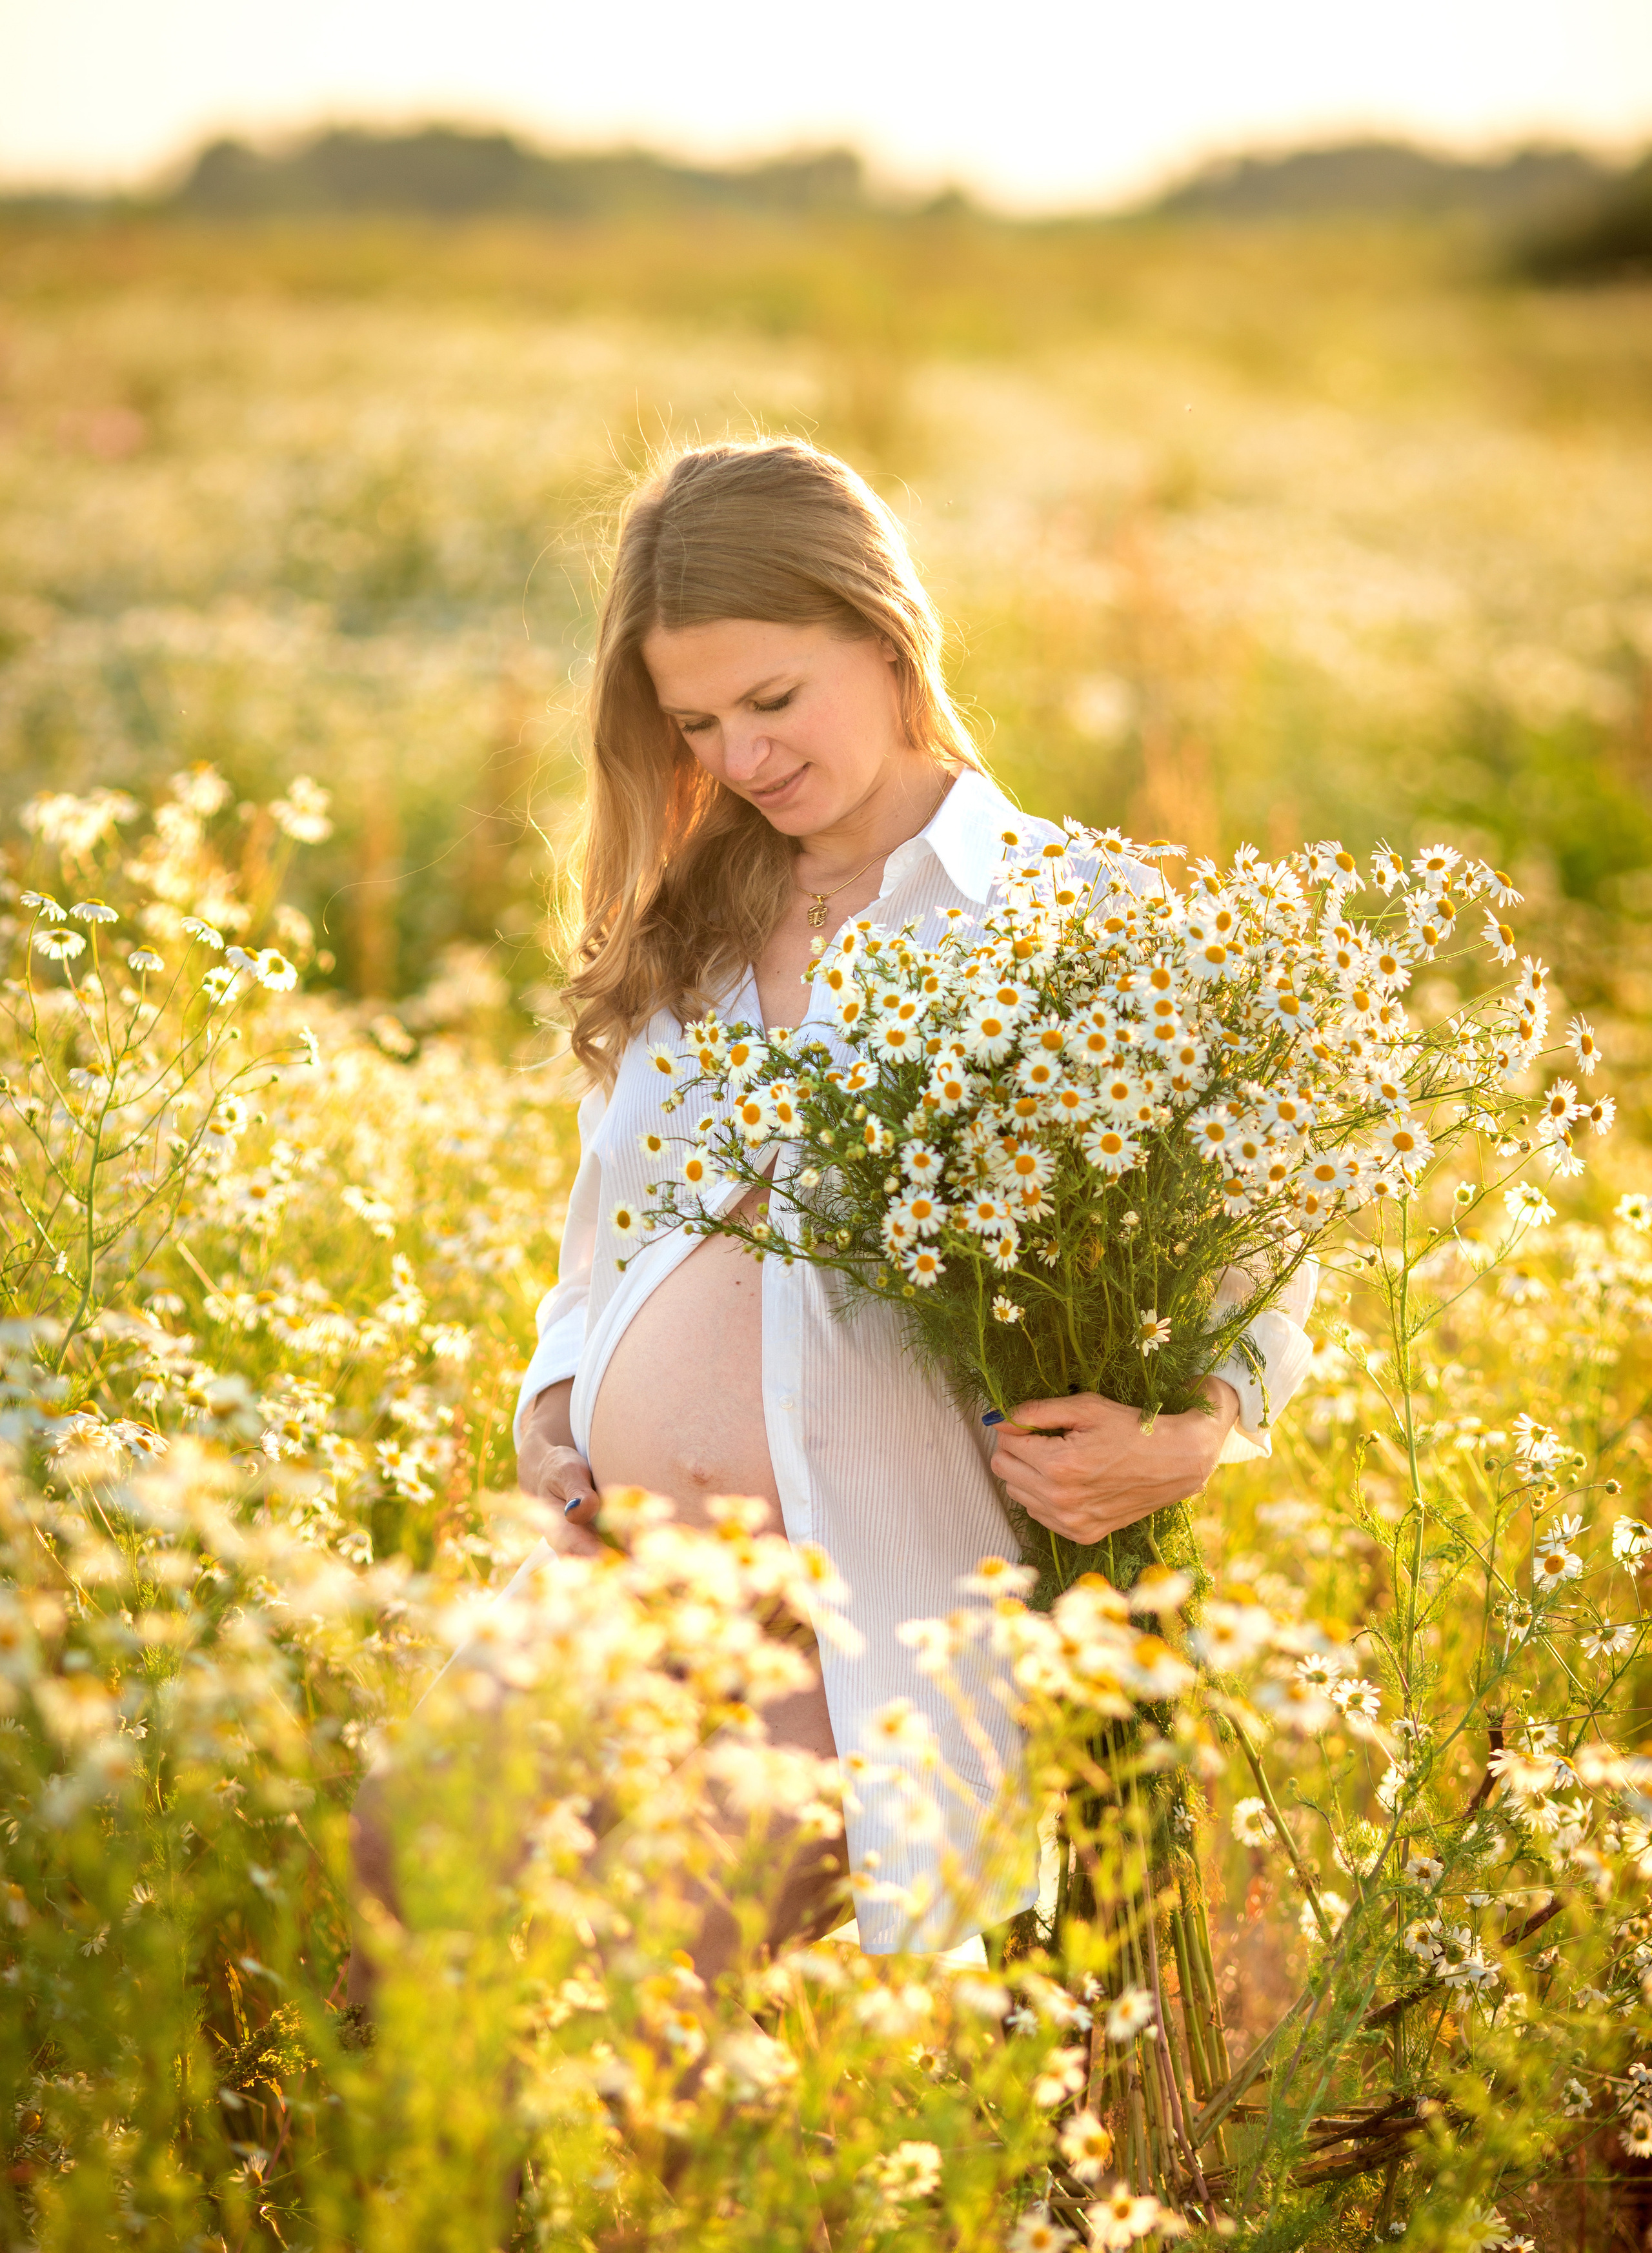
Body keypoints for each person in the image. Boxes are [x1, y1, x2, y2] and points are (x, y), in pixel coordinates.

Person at [514, 436, 1316, 1964]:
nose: (739, 759)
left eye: (771, 701)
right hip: (619, 1580)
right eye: (695, 721)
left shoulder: (1071, 917)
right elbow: (600, 1244)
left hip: (864, 1621)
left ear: (885, 641)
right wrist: (558, 1403)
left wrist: (1189, 1434)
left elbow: (1261, 1260)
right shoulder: (685, 931)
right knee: (392, 1920)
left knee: (666, 2001)